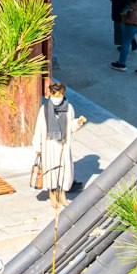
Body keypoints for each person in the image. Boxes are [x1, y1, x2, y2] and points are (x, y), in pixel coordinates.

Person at [31, 81, 85, 210]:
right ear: (50, 94)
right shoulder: (44, 109)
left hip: (63, 144)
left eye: (59, 96)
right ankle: (52, 194)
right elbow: (39, 128)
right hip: (49, 144)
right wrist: (37, 146)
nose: (56, 99)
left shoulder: (69, 108)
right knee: (51, 169)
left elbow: (70, 127)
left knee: (64, 170)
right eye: (54, 96)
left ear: (63, 94)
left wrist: (78, 122)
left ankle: (62, 194)